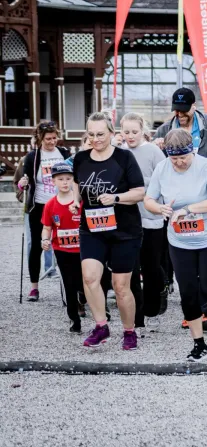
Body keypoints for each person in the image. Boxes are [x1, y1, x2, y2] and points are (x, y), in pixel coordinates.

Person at [144, 129, 207, 361]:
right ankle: (199, 344)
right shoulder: (162, 168)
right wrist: (161, 209)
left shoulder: (205, 167)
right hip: (179, 240)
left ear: (192, 151)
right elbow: (149, 200)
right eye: (174, 159)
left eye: (183, 157)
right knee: (188, 293)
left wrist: (187, 209)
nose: (179, 163)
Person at [72, 112, 145, 350]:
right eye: (91, 134)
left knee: (121, 286)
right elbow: (76, 182)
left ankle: (129, 331)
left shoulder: (124, 158)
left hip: (125, 230)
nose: (96, 139)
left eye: (101, 134)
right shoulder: (81, 158)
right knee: (89, 277)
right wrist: (75, 201)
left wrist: (116, 197)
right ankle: (101, 326)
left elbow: (139, 192)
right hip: (92, 228)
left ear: (112, 133)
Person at [121, 113, 168, 334]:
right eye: (126, 132)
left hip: (151, 218)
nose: (130, 136)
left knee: (151, 267)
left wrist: (139, 184)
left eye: (134, 131)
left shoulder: (153, 151)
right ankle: (137, 318)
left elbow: (164, 178)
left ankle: (154, 301)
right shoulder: (119, 153)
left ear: (143, 131)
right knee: (131, 269)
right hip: (127, 220)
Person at [18, 120, 71, 301]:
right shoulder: (32, 157)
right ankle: (34, 287)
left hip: (61, 204)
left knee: (64, 244)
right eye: (48, 138)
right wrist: (21, 184)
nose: (51, 141)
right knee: (37, 245)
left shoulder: (63, 153)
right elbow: (23, 180)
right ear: (40, 138)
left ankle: (69, 285)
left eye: (54, 138)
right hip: (39, 205)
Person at [41, 162, 84, 333]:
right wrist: (45, 240)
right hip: (62, 250)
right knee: (69, 284)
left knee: (86, 282)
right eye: (61, 179)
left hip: (83, 249)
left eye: (68, 179)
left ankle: (85, 297)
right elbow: (47, 227)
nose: (65, 182)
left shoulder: (80, 202)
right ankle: (74, 318)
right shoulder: (50, 205)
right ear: (53, 182)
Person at [153, 87, 207, 162]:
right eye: (177, 110)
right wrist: (156, 146)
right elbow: (153, 156)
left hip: (205, 174)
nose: (180, 114)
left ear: (194, 106)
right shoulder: (164, 129)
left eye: (184, 110)